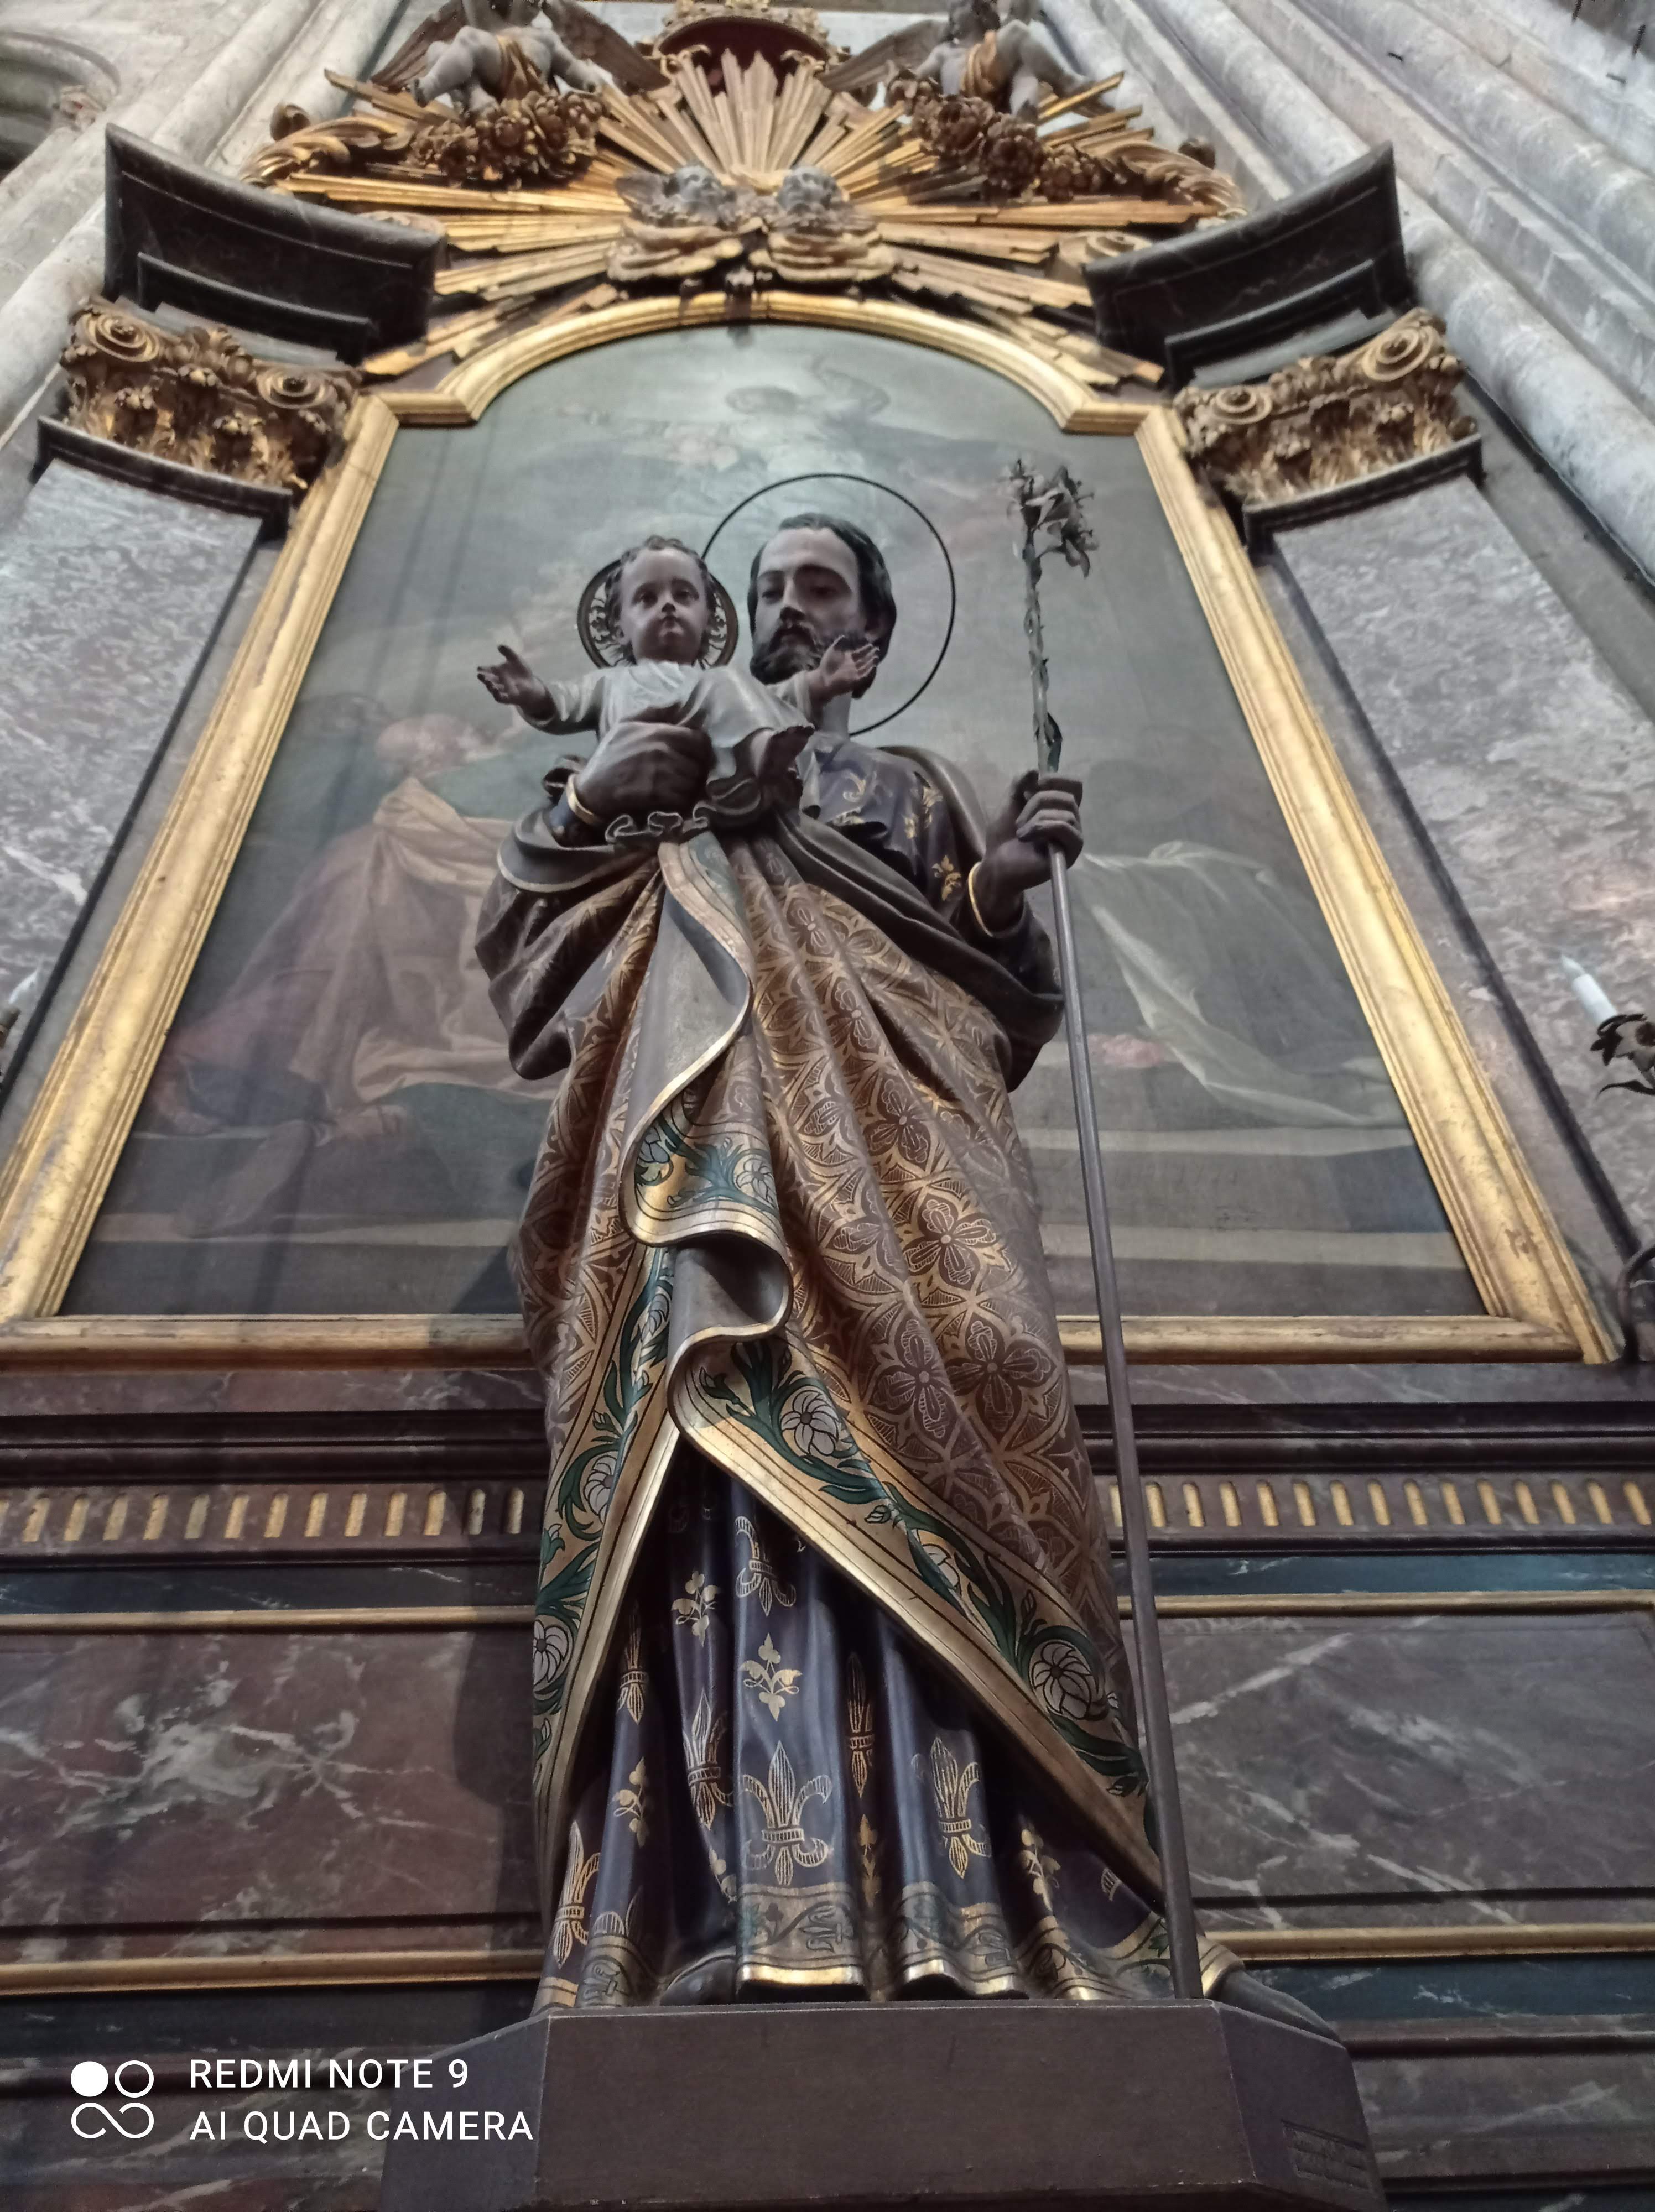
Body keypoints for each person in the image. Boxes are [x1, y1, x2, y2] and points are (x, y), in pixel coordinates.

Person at [476, 510, 1322, 2031]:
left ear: (866, 638)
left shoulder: (909, 787)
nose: (786, 610)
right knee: (725, 1464)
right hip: (712, 1162)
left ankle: (1021, 1892)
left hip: (911, 1154)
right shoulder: (663, 764)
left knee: (987, 1397)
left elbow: (998, 987)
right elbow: (526, 951)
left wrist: (1001, 883)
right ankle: (734, 1902)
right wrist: (601, 800)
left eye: (819, 589)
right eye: (766, 588)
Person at [476, 535, 878, 838]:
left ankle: (762, 756)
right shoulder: (610, 682)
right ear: (619, 628)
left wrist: (820, 683)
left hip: (715, 791)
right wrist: (533, 693)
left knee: (730, 683)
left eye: (684, 595)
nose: (667, 605)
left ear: (708, 620)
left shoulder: (721, 684)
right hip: (632, 797)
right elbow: (562, 705)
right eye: (646, 598)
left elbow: (772, 701)